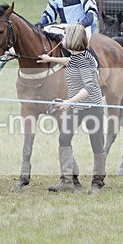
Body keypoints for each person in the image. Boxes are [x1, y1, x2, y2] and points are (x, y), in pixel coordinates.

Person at [38, 24, 106, 194]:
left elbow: (90, 86)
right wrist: (51, 59)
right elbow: (70, 61)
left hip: (92, 107)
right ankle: (67, 181)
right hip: (76, 107)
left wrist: (69, 101)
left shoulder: (84, 60)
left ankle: (97, 183)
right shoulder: (80, 56)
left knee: (96, 144)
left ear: (74, 39)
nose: (63, 39)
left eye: (66, 36)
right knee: (64, 138)